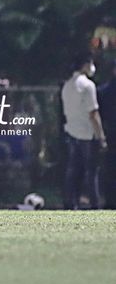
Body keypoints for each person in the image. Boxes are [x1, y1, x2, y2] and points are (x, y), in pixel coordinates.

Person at [62, 52, 108, 209]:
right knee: (91, 172)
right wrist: (101, 136)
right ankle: (94, 204)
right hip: (87, 134)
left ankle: (70, 202)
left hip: (71, 132)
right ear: (85, 65)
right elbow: (93, 113)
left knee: (72, 171)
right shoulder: (88, 86)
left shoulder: (67, 85)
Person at [98, 59, 116, 208]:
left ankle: (110, 201)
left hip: (110, 134)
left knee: (110, 169)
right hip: (111, 134)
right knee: (110, 169)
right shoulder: (104, 91)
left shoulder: (103, 91)